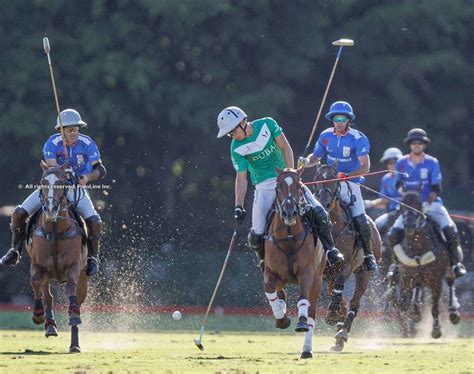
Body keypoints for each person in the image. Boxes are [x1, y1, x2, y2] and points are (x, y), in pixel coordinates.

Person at [216, 106, 343, 270]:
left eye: (233, 131)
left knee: (320, 214)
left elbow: (286, 148)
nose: (232, 135)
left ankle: (330, 250)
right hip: (263, 186)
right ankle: (265, 263)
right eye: (230, 133)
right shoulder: (236, 147)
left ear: (243, 122)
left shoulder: (267, 124)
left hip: (287, 179)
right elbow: (241, 178)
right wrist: (238, 206)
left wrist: (291, 174)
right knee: (255, 234)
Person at [0, 109, 107, 276]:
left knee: (95, 222)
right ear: (61, 129)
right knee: (18, 213)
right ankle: (15, 251)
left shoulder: (87, 143)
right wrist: (64, 172)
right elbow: (51, 169)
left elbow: (100, 169)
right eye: (69, 129)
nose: (73, 132)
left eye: (76, 129)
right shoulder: (52, 143)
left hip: (76, 190)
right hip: (53, 188)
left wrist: (87, 177)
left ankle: (93, 258)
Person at [298, 100, 377, 271]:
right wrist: (306, 161)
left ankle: (369, 255)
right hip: (328, 182)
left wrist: (348, 175)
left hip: (350, 183)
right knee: (310, 211)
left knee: (360, 216)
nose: (339, 122)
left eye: (343, 118)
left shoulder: (358, 138)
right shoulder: (326, 136)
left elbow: (365, 166)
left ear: (348, 120)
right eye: (336, 118)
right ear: (332, 120)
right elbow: (316, 157)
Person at [388, 128, 466, 278]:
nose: (417, 145)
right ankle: (395, 264)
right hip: (409, 207)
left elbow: (436, 187)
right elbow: (398, 185)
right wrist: (406, 198)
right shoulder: (401, 163)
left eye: (420, 143)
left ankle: (456, 264)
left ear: (424, 145)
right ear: (410, 145)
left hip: (431, 204)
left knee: (450, 229)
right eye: (413, 143)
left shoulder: (432, 162)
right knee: (393, 234)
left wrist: (425, 203)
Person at [365, 147, 403, 236]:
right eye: (389, 163)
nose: (392, 165)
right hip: (392, 213)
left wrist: (372, 203)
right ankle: (381, 248)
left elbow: (386, 200)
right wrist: (369, 204)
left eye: (395, 162)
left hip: (407, 212)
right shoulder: (386, 179)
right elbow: (383, 201)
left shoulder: (407, 176)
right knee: (377, 224)